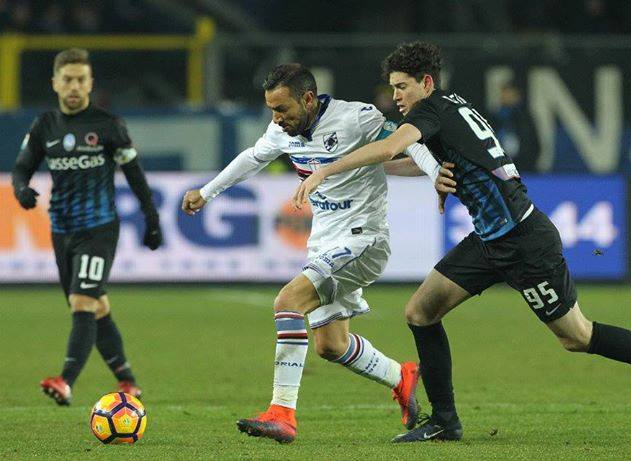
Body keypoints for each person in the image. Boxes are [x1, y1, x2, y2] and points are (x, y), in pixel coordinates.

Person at [293, 41, 631, 442]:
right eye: (393, 87)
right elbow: (428, 161)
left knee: (577, 337)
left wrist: (325, 170)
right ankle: (444, 421)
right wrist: (398, 173)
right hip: (490, 240)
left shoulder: (430, 110)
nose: (396, 95)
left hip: (524, 242)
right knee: (420, 311)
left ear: (426, 82)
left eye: (402, 86)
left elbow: (388, 148)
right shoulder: (452, 107)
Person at [181, 63, 440, 443]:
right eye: (271, 110)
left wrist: (436, 175)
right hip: (324, 242)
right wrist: (207, 192)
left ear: (307, 99)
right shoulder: (281, 130)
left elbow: (412, 143)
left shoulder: (356, 118)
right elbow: (253, 157)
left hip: (364, 239)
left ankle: (282, 413)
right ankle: (400, 376)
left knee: (288, 301)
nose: (276, 118)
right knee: (331, 345)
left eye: (282, 109)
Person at [11, 48, 162, 405]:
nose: (75, 86)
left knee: (82, 302)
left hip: (99, 229)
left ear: (90, 83)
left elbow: (134, 173)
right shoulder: (44, 126)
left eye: (81, 79)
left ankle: (65, 381)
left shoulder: (109, 125)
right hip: (61, 230)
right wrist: (20, 190)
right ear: (55, 83)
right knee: (95, 306)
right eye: (68, 80)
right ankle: (128, 381)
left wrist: (151, 218)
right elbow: (21, 168)